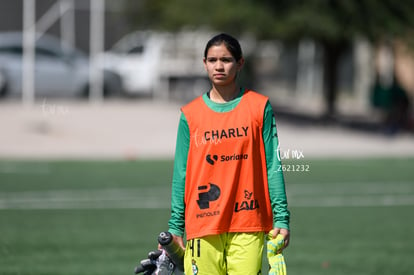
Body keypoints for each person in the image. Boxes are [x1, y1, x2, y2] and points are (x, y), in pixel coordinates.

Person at [167, 33, 290, 275]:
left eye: (226, 59)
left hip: (248, 224)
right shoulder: (190, 115)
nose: (219, 66)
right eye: (212, 60)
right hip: (203, 225)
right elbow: (181, 173)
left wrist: (282, 219)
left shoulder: (259, 107)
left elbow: (273, 164)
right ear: (204, 64)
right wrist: (175, 226)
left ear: (240, 63)